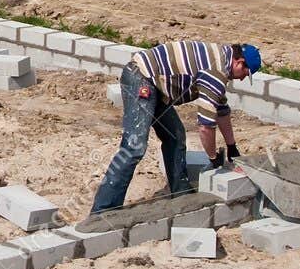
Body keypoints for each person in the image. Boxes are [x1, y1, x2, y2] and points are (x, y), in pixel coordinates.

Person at [90, 40, 262, 213]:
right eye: (246, 73)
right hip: (141, 78)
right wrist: (212, 158)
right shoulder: (216, 72)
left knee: (176, 136)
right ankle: (103, 209)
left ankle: (181, 192)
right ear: (239, 62)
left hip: (157, 85)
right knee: (134, 146)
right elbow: (205, 127)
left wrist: (232, 148)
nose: (242, 78)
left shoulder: (221, 61)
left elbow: (221, 112)